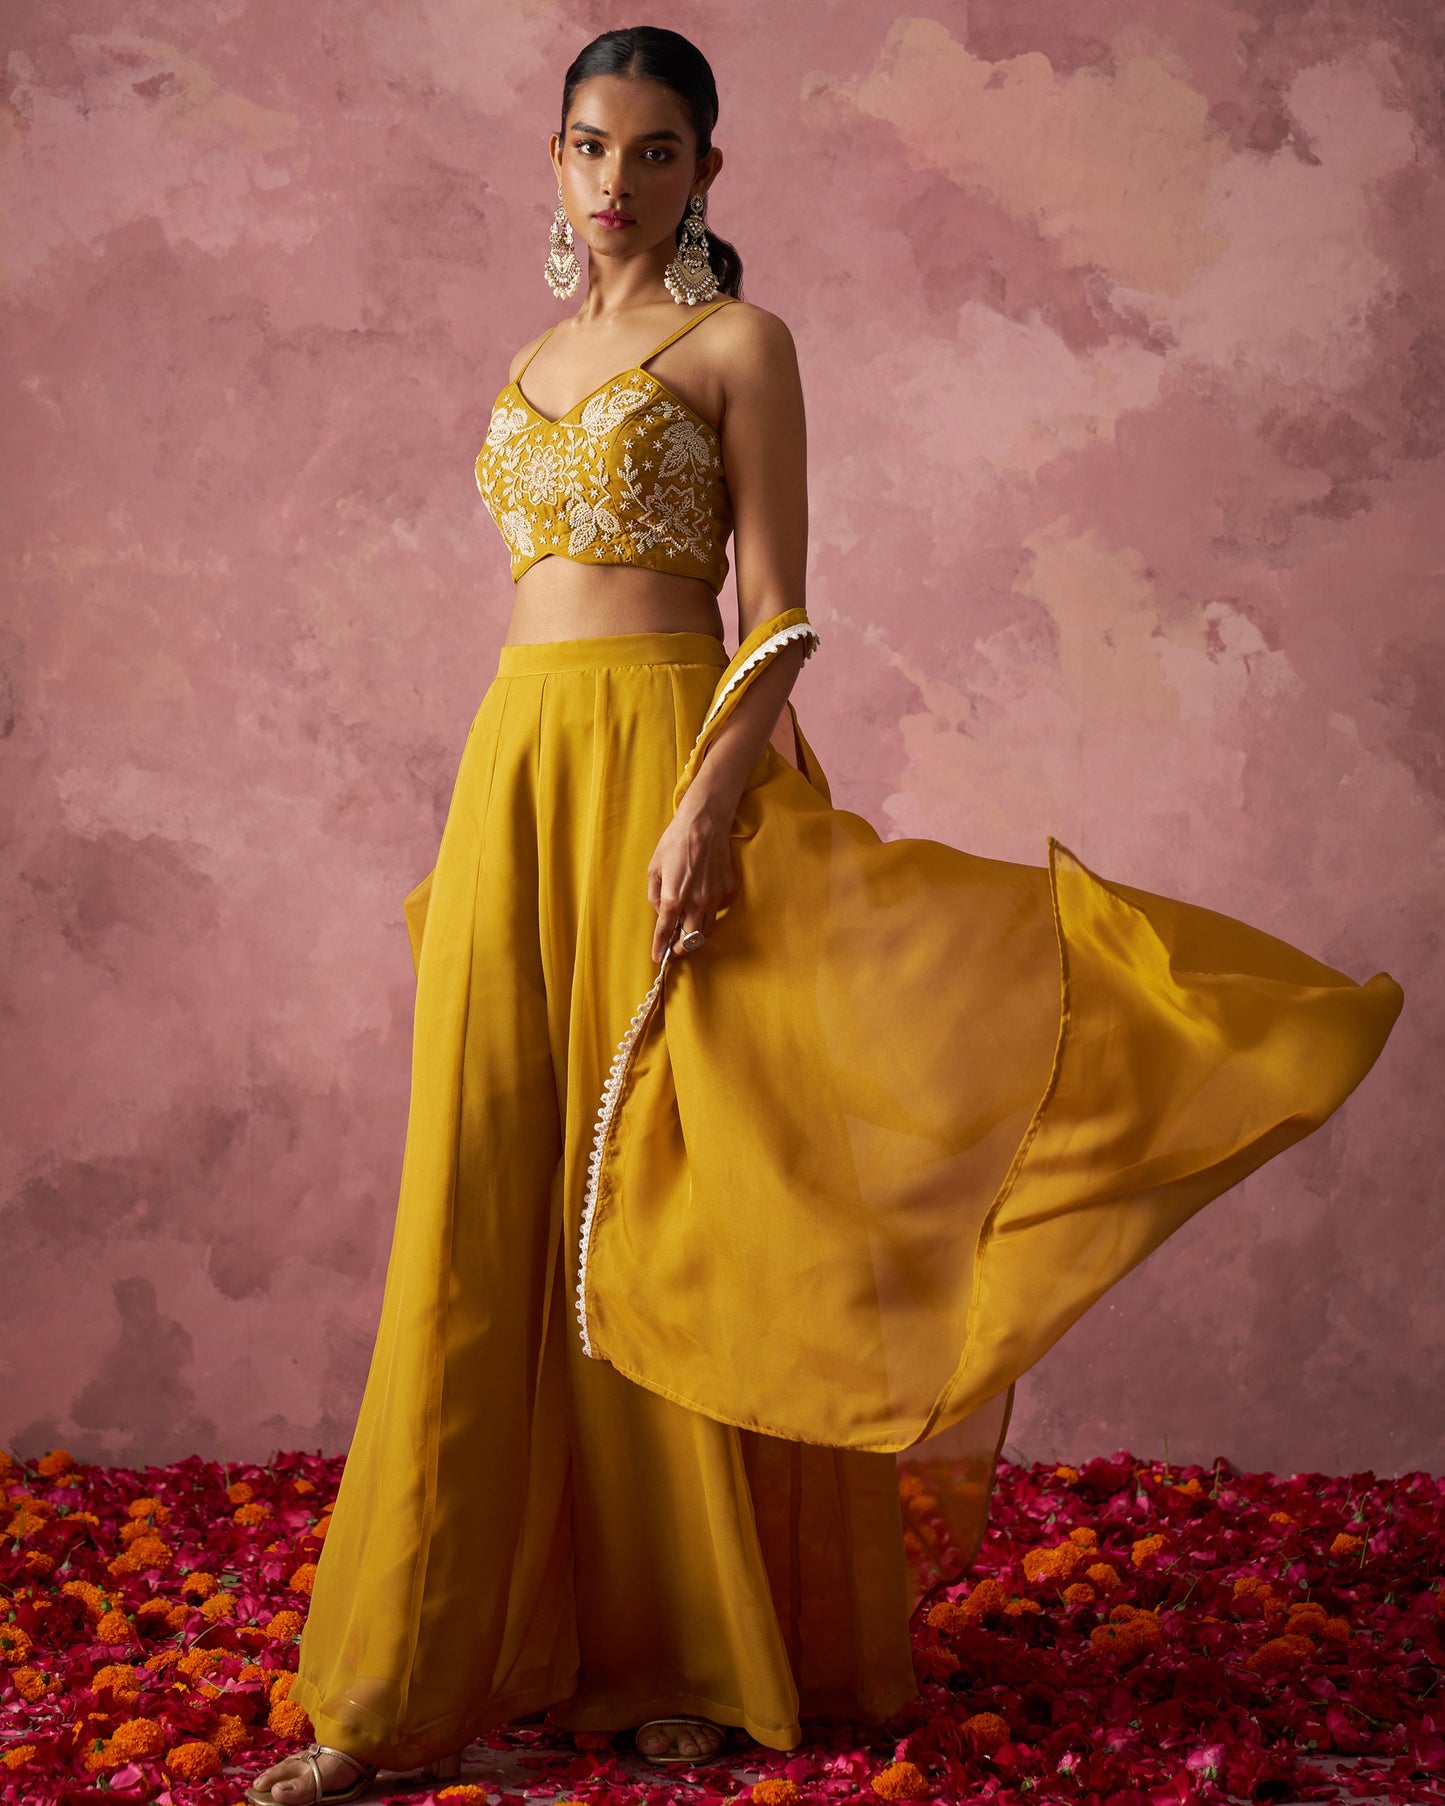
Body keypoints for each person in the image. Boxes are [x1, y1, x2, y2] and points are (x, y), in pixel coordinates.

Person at [246, 26, 1403, 1806]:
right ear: (551, 165)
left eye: (650, 152)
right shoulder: (537, 355)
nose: (614, 182)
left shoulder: (739, 346)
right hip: (514, 781)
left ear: (707, 172)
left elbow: (778, 609)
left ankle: (696, 1644)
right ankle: (411, 1669)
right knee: (490, 1193)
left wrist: (710, 807)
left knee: (694, 1188)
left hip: (669, 764)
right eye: (584, 148)